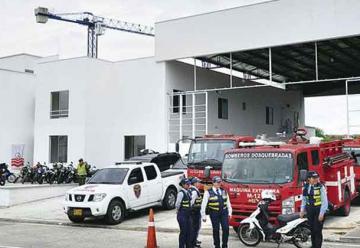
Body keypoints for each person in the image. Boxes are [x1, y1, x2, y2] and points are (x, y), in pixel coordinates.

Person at [201, 176, 232, 248]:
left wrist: (230, 213)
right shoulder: (208, 192)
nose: (219, 183)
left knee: (226, 228)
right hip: (214, 213)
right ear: (213, 183)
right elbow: (204, 204)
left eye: (220, 182)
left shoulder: (224, 191)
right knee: (216, 229)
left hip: (224, 212)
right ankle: (217, 245)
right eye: (217, 182)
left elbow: (228, 203)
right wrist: (203, 215)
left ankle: (225, 245)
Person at [300, 171, 328, 248]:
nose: (316, 179)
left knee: (317, 230)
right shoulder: (306, 187)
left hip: (318, 209)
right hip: (310, 210)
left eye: (317, 178)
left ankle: (318, 246)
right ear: (309, 179)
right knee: (312, 230)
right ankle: (314, 245)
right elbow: (304, 200)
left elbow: (325, 202)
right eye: (314, 178)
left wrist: (321, 213)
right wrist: (302, 210)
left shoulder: (320, 187)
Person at [176, 178, 192, 248]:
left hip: (188, 215)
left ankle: (188, 245)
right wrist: (179, 210)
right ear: (183, 185)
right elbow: (177, 204)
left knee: (189, 231)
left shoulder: (188, 192)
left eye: (189, 184)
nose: (188, 185)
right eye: (187, 184)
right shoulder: (181, 193)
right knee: (183, 232)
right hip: (182, 214)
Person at [189, 177, 202, 248]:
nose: (199, 183)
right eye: (198, 182)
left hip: (195, 212)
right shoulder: (194, 191)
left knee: (195, 227)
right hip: (194, 213)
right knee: (195, 228)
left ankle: (194, 241)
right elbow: (191, 202)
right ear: (195, 183)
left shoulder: (193, 190)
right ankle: (192, 243)